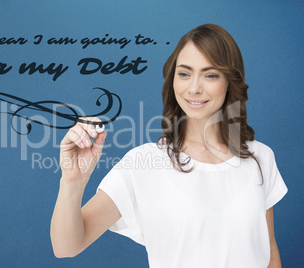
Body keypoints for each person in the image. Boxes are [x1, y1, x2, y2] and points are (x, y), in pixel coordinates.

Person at [50, 24, 288, 268]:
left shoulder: (260, 157)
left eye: (210, 74)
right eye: (184, 73)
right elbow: (66, 247)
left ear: (230, 81)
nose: (194, 88)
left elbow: (269, 253)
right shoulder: (143, 163)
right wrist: (72, 182)